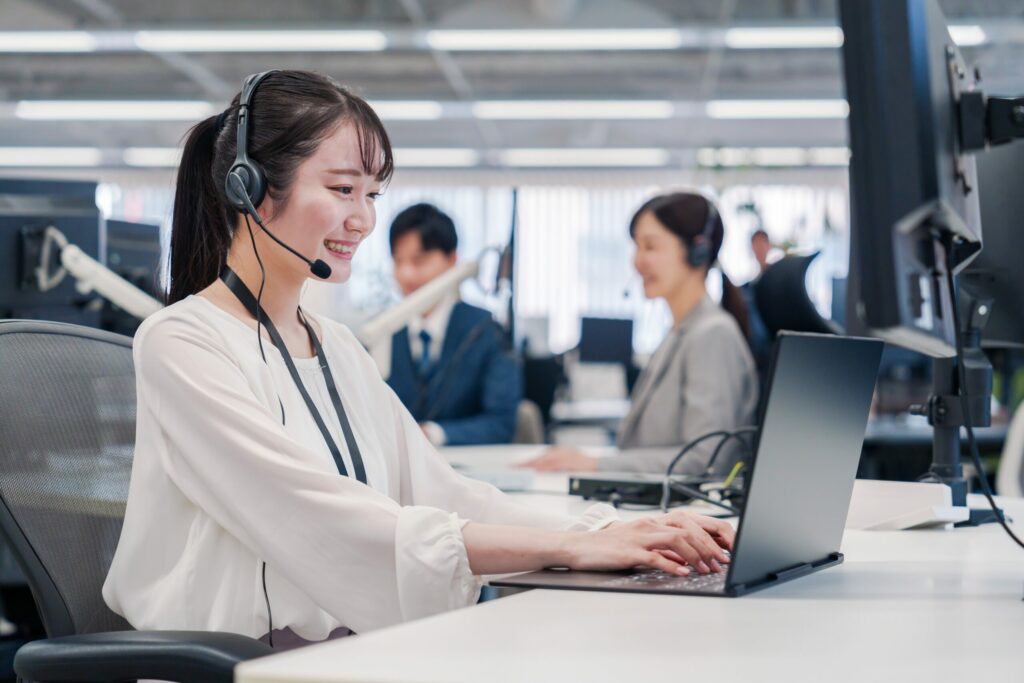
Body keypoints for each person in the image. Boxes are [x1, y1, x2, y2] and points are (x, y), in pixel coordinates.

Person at [101, 71, 734, 650]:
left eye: (371, 194)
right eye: (344, 189)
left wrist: (613, 532)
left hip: (349, 651)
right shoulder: (181, 342)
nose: (364, 220)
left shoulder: (335, 345)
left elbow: (445, 493)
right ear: (252, 189)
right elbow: (325, 520)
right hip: (247, 663)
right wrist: (573, 548)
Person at [522, 192, 759, 476]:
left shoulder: (713, 335)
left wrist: (597, 464)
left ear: (698, 250)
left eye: (651, 247)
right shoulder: (680, 332)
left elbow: (706, 459)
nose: (637, 261)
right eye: (636, 246)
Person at [386, 203, 520, 446]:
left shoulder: (486, 331)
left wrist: (434, 434)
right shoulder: (385, 333)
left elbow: (501, 423)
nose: (406, 275)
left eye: (419, 261)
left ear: (452, 259)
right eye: (398, 261)